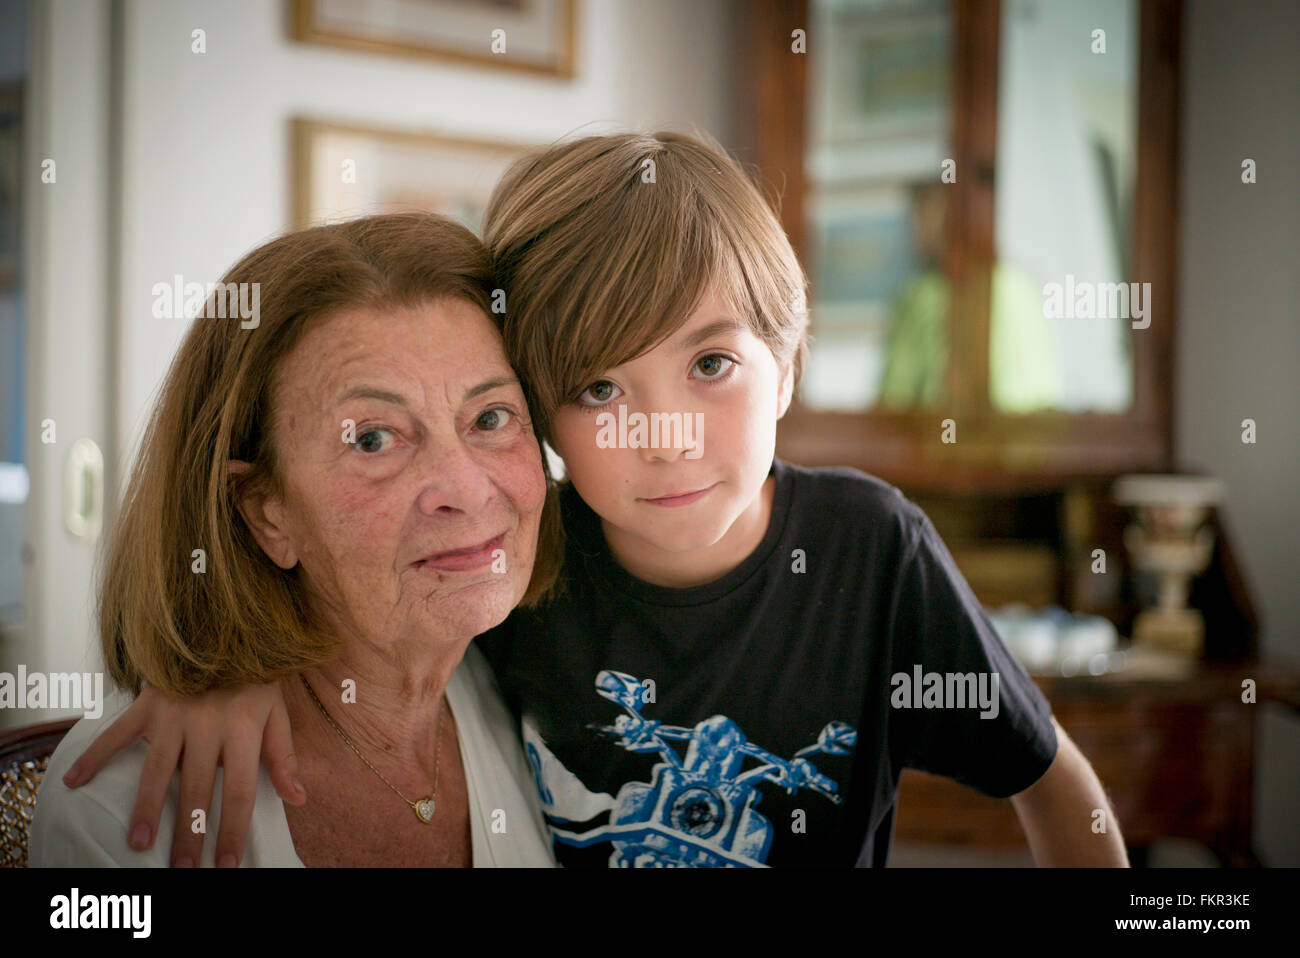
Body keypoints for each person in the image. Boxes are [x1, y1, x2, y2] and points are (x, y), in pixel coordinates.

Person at [65, 132, 1129, 868]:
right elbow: (331, 633)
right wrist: (216, 672)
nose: (663, 433)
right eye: (598, 388)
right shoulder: (517, 576)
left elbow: (1051, 781)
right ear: (550, 419)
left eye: (711, 363)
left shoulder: (865, 548)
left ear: (789, 364)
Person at [32, 213, 558, 866]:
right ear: (266, 513)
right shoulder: (120, 803)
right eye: (373, 438)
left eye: (490, 417)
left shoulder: (532, 691)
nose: (468, 488)